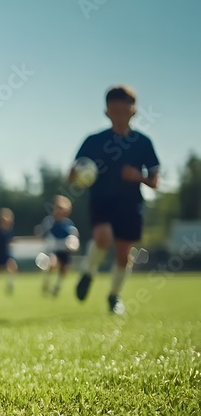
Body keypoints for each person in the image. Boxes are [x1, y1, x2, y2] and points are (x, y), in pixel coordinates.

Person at [72, 85, 160, 314]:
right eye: (115, 111)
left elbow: (155, 181)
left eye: (125, 111)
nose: (120, 116)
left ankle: (114, 296)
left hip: (130, 204)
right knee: (103, 238)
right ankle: (88, 273)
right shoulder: (93, 141)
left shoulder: (143, 142)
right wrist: (76, 175)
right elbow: (74, 172)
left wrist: (137, 176)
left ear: (134, 112)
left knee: (123, 254)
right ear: (107, 112)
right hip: (101, 200)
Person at [38, 195, 79, 297]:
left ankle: (57, 287)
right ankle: (46, 283)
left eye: (61, 209)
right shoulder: (50, 221)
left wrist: (73, 245)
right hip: (54, 249)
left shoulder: (69, 224)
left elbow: (74, 238)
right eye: (57, 208)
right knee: (52, 263)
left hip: (65, 251)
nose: (58, 211)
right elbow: (44, 233)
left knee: (63, 270)